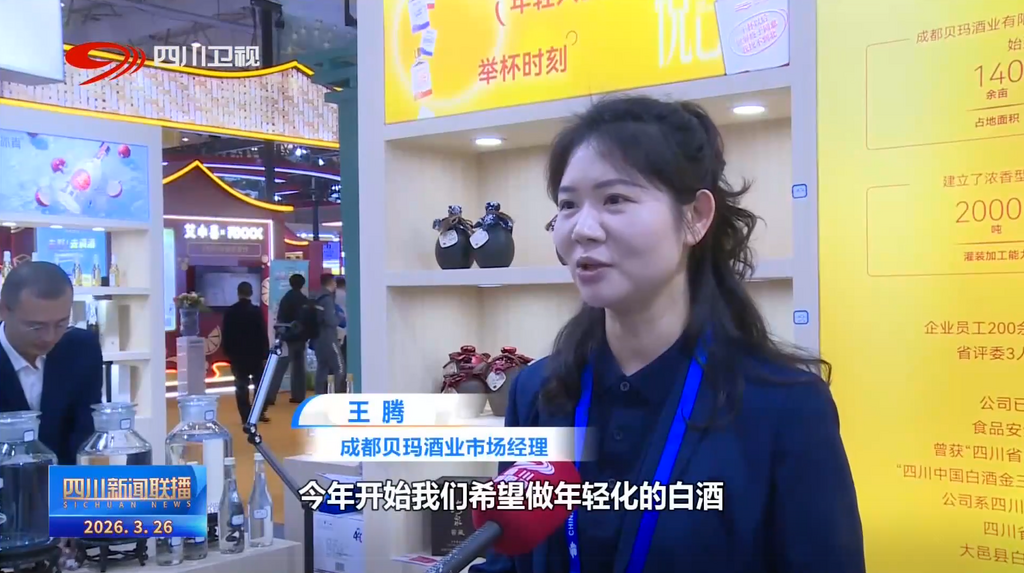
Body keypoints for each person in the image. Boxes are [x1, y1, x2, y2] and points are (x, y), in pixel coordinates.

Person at [470, 97, 864, 573]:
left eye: (615, 199)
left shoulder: (785, 408)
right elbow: (506, 562)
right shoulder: (537, 393)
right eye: (568, 205)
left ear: (695, 216)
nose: (583, 230)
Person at [0, 262, 102, 465]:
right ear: (3, 310)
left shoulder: (82, 349)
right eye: (36, 326)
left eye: (61, 324)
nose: (50, 337)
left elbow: (84, 435)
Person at [221, 281, 270, 423]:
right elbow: (262, 333)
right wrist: (265, 353)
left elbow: (226, 334)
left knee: (241, 385)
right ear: (251, 293)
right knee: (259, 385)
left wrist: (228, 353)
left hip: (237, 355)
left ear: (238, 293)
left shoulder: (230, 312)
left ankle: (245, 416)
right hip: (255, 354)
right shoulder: (256, 311)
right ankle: (258, 412)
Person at [266, 273, 310, 404]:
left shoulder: (286, 298)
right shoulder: (304, 300)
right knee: (299, 367)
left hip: (287, 336)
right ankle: (298, 395)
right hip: (300, 337)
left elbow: (281, 317)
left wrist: (280, 334)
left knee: (281, 366)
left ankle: (270, 395)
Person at [312, 273, 343, 394]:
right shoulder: (327, 299)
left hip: (318, 338)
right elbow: (330, 320)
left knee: (322, 368)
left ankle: (319, 395)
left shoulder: (317, 297)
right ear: (331, 282)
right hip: (329, 337)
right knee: (339, 367)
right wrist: (339, 318)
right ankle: (335, 394)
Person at [334, 275, 348, 387]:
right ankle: (343, 384)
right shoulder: (346, 296)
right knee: (343, 360)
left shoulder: (332, 296)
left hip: (334, 331)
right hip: (345, 330)